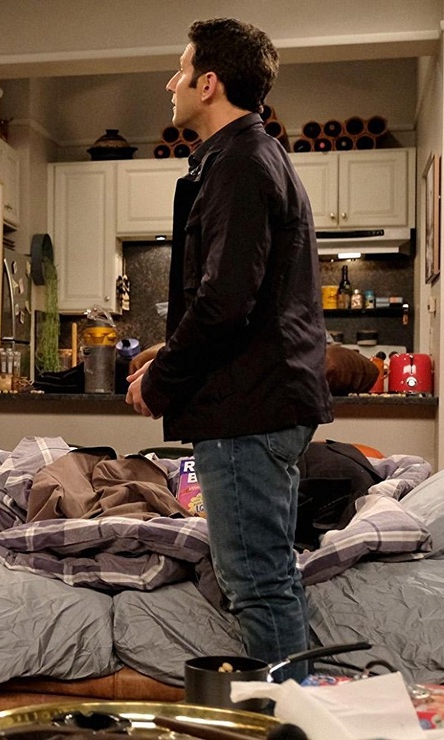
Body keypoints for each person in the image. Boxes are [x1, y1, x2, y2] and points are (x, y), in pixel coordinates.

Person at [125, 19, 333, 682]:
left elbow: (225, 301)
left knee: (256, 581)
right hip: (262, 401)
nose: (171, 82)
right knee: (267, 574)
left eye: (181, 70)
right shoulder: (246, 157)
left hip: (250, 408)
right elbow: (245, 298)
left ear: (208, 83)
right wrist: (167, 349)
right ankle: (295, 706)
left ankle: (285, 717)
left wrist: (161, 380)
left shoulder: (240, 163)